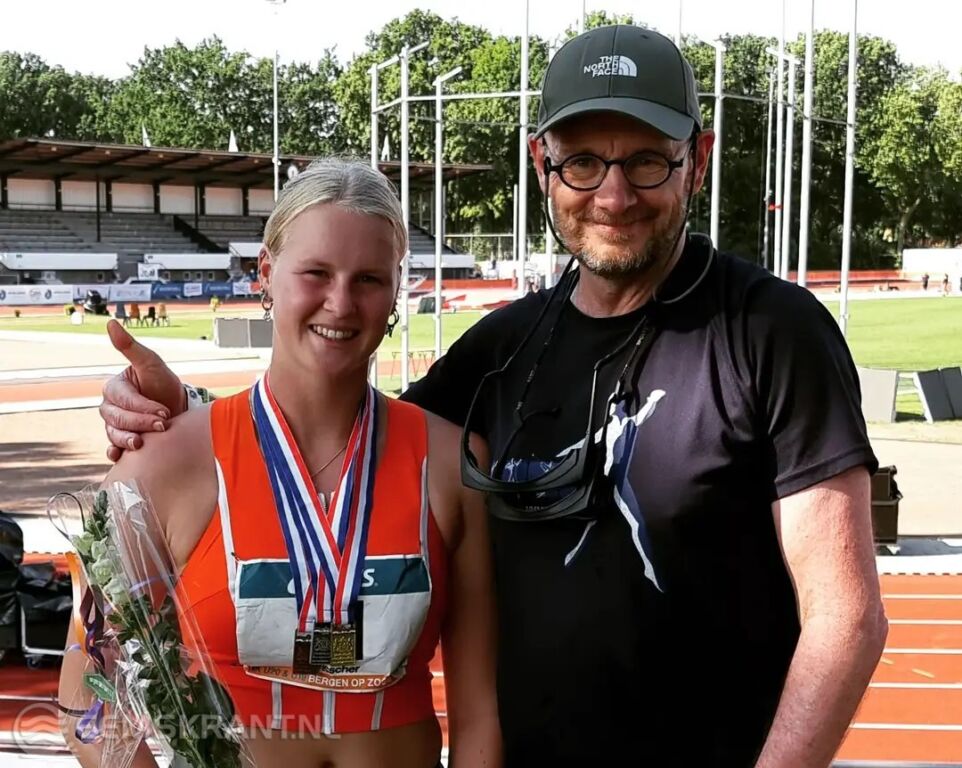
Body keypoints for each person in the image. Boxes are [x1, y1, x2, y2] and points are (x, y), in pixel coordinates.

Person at [96, 26, 887, 768]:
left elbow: (846, 618)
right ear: (543, 164)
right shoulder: (504, 349)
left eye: (648, 160)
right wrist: (187, 418)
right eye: (583, 163)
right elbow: (338, 431)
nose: (614, 195)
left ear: (698, 160)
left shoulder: (771, 334)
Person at [63, 158, 501, 768]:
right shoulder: (162, 464)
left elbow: (480, 711)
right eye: (316, 273)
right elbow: (89, 700)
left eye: (369, 279)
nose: (341, 303)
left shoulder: (454, 464)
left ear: (396, 288)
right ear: (266, 274)